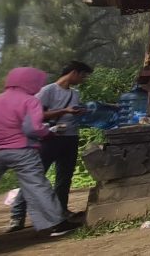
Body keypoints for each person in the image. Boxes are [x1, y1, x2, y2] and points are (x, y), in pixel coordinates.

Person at [0, 67, 82, 237]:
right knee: (36, 185)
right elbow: (33, 129)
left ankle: (18, 218)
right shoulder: (29, 101)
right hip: (21, 150)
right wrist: (49, 132)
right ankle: (56, 224)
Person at [9, 60, 91, 231]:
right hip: (50, 137)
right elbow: (36, 115)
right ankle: (17, 216)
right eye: (82, 76)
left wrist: (79, 112)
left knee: (64, 177)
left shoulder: (74, 93)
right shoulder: (47, 91)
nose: (83, 79)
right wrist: (64, 111)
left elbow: (72, 110)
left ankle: (61, 211)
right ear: (74, 73)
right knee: (35, 176)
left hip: (70, 137)